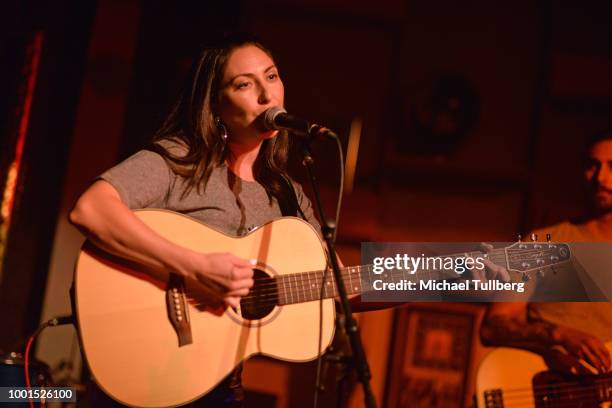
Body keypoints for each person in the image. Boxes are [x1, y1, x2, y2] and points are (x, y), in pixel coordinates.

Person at [69, 34, 323, 407]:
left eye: (271, 77)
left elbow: (333, 285)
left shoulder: (287, 195)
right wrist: (194, 268)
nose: (267, 96)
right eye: (244, 84)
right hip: (148, 371)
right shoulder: (180, 161)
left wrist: (427, 274)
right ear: (216, 104)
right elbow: (90, 209)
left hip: (220, 389)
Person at [480, 130, 612, 376]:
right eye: (592, 166)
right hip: (549, 393)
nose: (601, 178)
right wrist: (558, 335)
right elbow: (492, 327)